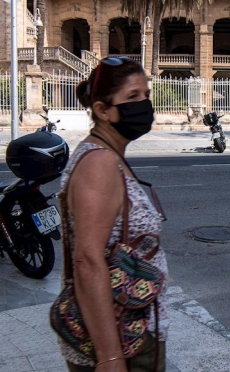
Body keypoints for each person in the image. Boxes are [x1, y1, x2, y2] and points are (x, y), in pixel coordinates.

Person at [58, 57, 168, 372]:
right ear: (103, 110)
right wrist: (109, 357)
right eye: (133, 97)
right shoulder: (100, 163)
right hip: (123, 340)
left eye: (146, 95)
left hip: (134, 328)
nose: (144, 105)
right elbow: (87, 260)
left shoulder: (107, 155)